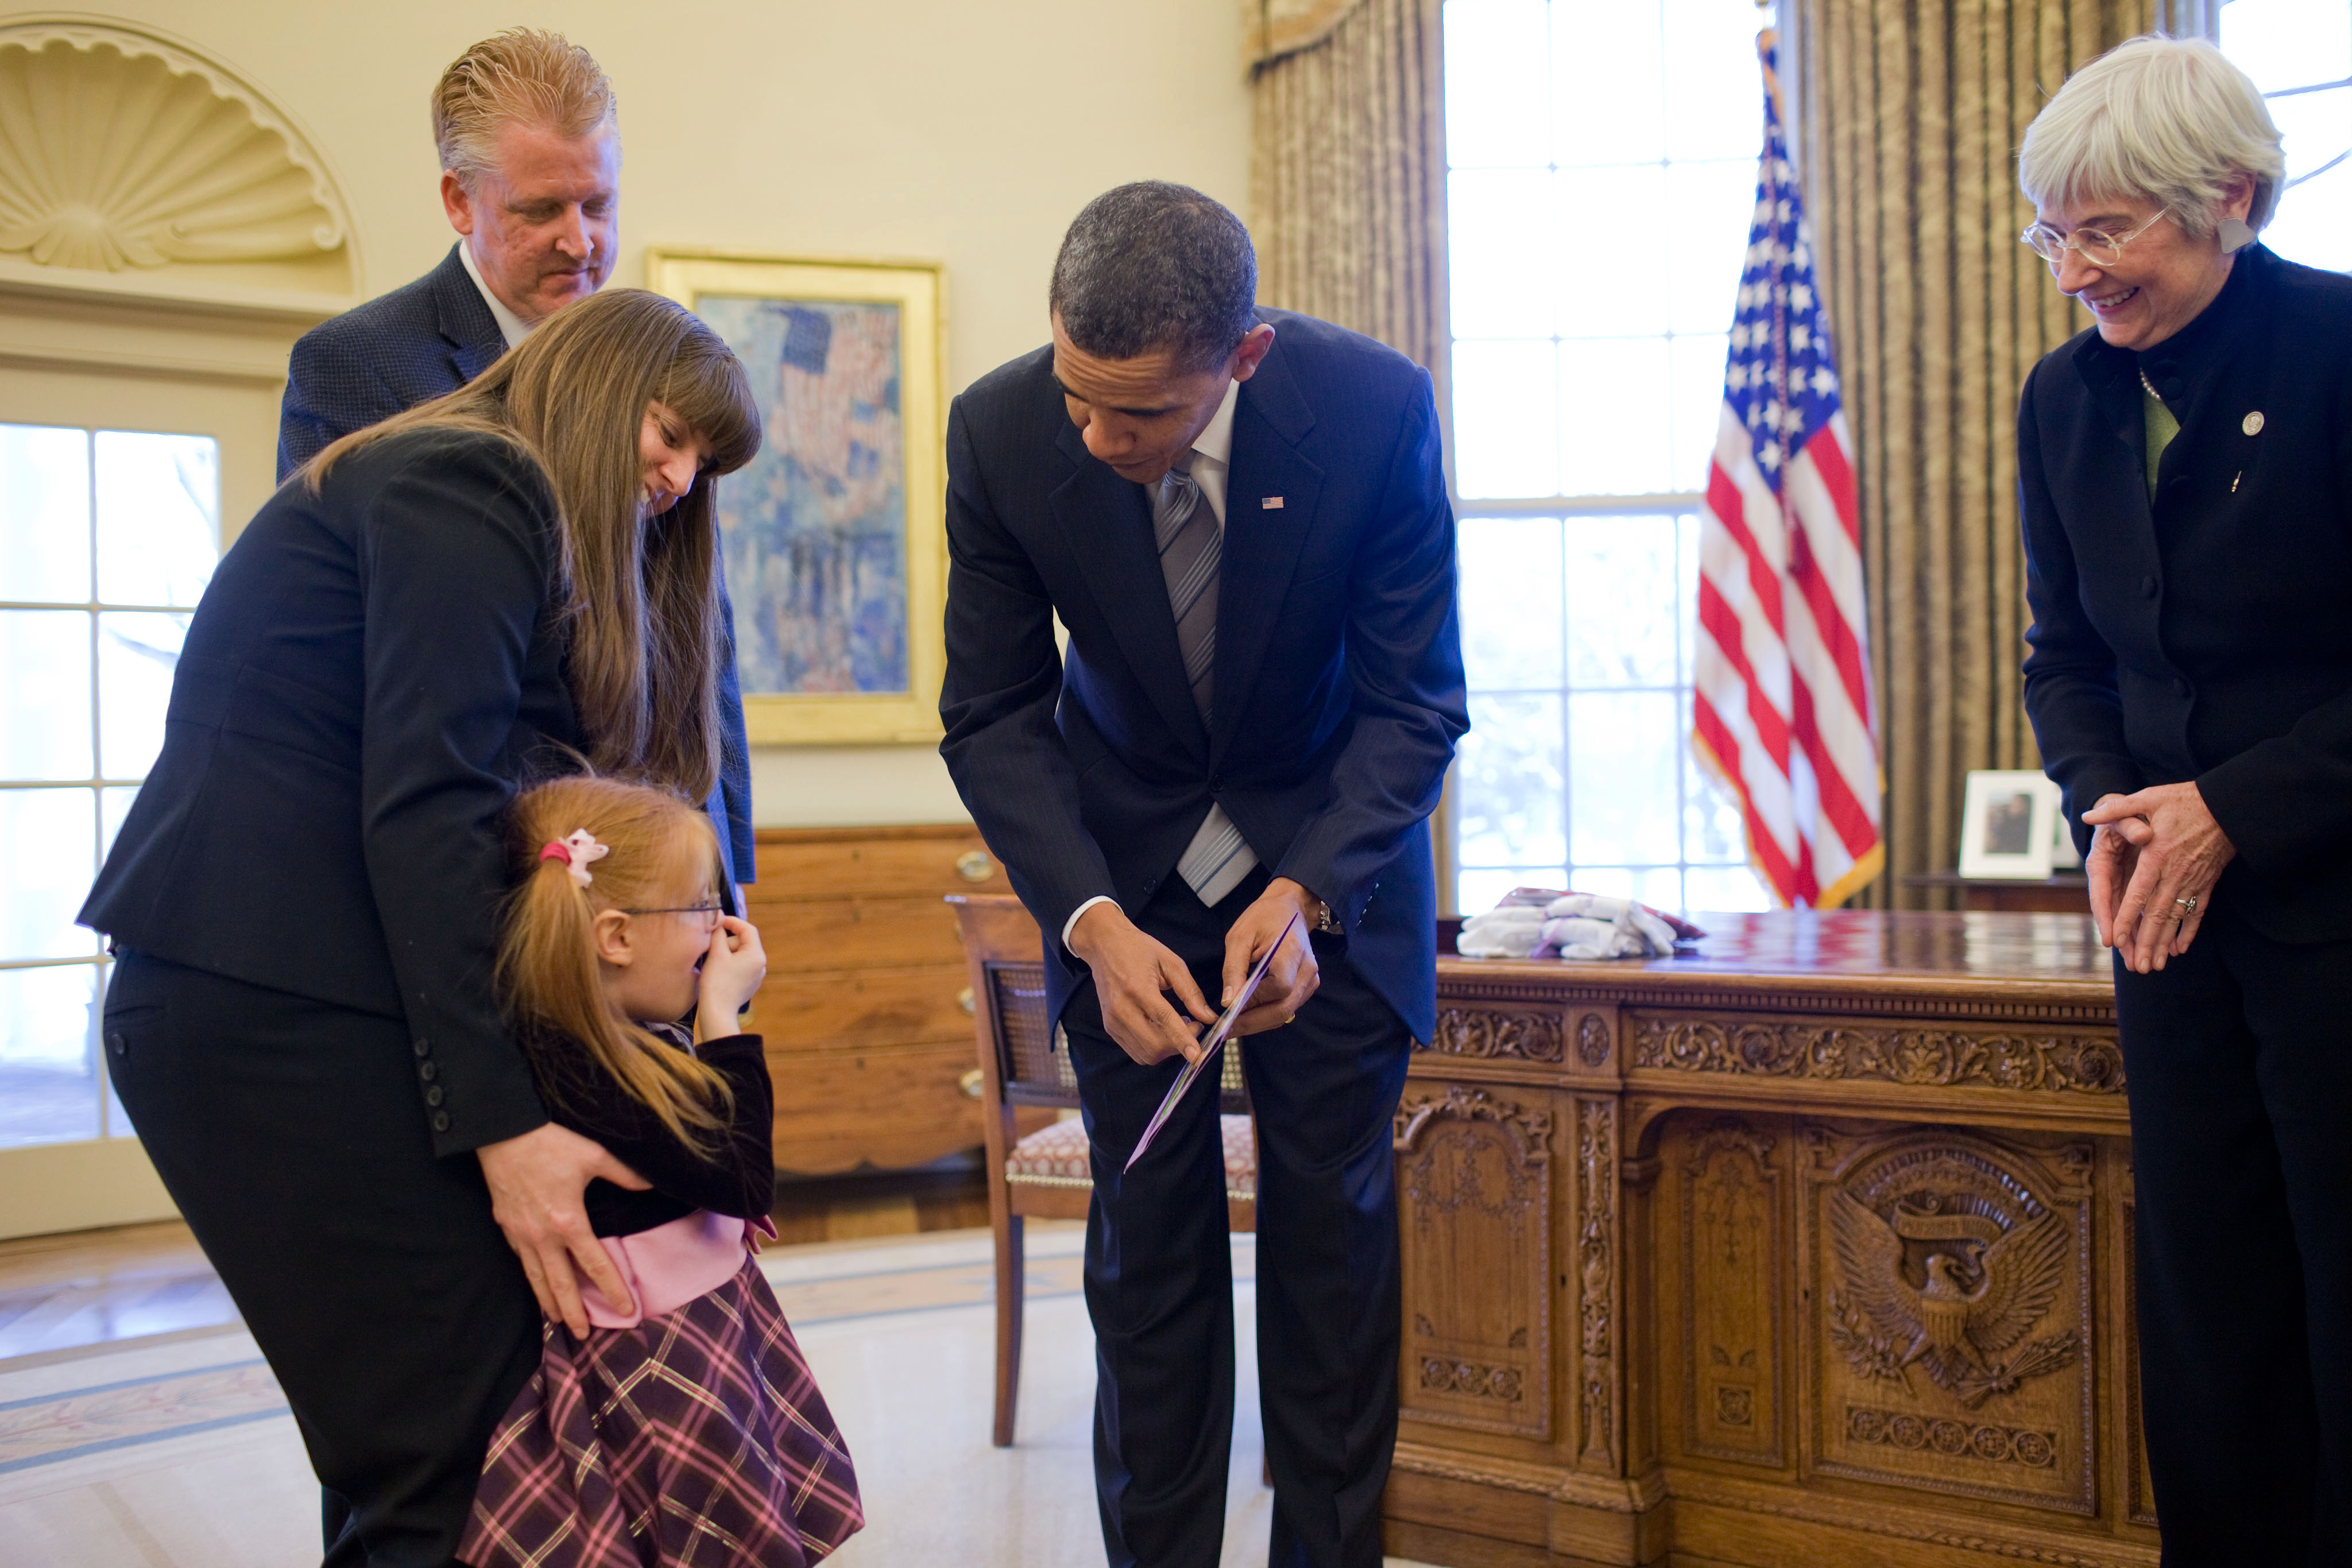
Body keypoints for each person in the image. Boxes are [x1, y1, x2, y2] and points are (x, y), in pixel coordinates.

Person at [81, 288, 763, 1567]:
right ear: (599, 389)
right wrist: (506, 1125)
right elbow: (428, 808)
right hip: (271, 1007)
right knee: (442, 1452)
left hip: (308, 1001)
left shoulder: (459, 489)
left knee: (423, 1439)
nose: (676, 480)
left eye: (701, 464)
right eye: (669, 437)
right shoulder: (472, 477)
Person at [938, 181, 1466, 1568]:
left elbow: (1416, 703)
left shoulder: (1371, 412)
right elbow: (990, 710)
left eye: (1144, 414)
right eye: (1079, 396)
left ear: (1242, 358)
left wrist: (1305, 892)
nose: (1103, 438)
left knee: (1330, 1254)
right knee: (1148, 1258)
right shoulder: (1000, 430)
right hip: (1120, 888)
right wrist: (1088, 920)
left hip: (1330, 872)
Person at [2014, 35, 2352, 1565]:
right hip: (2167, 925)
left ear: (2233, 198)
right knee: (2205, 1309)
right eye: (2055, 231)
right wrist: (2115, 806)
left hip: (2333, 915)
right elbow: (2064, 655)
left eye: (2109, 228)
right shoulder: (2062, 401)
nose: (2077, 268)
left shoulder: (2340, 352)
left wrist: (2231, 808)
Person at [274, 28, 755, 891]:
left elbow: (702, 647)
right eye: (541, 211)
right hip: (483, 868)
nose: (581, 243)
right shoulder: (358, 368)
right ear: (461, 201)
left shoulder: (658, 365)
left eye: (599, 205)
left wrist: (729, 884)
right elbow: (358, 670)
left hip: (663, 874)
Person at [459, 774, 860, 1568]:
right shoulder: (589, 1073)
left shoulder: (620, 1043)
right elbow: (745, 1179)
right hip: (660, 1366)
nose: (720, 934)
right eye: (703, 910)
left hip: (699, 1327)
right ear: (616, 936)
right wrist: (723, 1022)